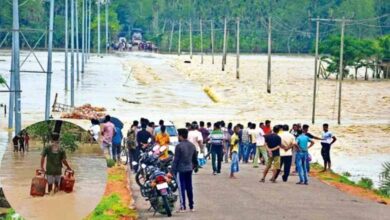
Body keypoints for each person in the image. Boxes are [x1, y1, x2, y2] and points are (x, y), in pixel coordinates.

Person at [172, 129, 198, 213]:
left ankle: (183, 207)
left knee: (181, 188)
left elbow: (176, 160)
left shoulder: (179, 146)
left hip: (180, 169)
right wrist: (195, 166)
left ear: (181, 136)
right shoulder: (192, 145)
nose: (177, 137)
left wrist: (172, 171)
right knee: (189, 187)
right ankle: (191, 206)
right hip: (189, 169)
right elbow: (195, 159)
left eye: (178, 135)